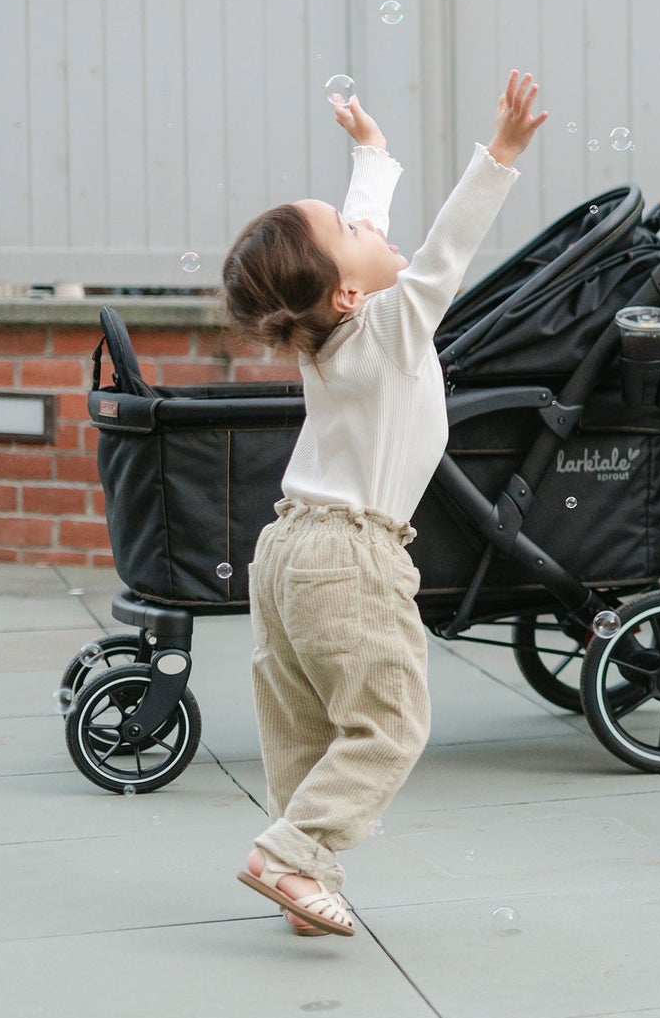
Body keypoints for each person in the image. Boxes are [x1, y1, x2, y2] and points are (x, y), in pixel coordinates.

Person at [219, 72, 546, 935]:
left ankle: (302, 876)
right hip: (350, 557)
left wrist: (373, 154)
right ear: (348, 294)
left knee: (302, 731)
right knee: (389, 723)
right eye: (348, 226)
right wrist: (501, 155)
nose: (364, 221)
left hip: (285, 551)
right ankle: (290, 856)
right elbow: (445, 250)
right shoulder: (394, 326)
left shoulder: (325, 334)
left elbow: (369, 242)